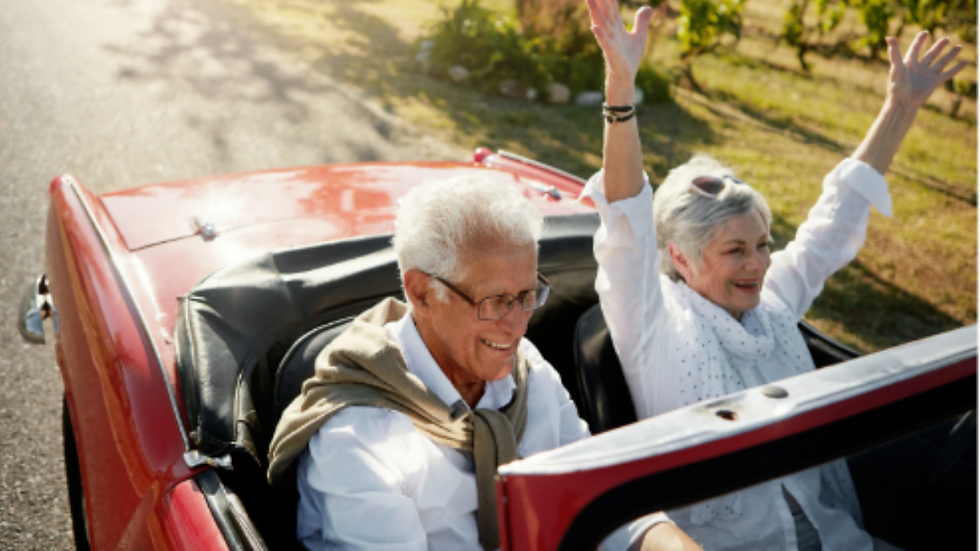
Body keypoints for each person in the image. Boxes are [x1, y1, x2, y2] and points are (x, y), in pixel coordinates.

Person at [581, 0, 966, 549]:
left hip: (842, 539)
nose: (759, 264)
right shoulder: (653, 329)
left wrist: (901, 104)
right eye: (735, 250)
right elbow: (626, 225)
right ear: (681, 258)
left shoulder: (771, 303)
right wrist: (621, 90)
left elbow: (837, 217)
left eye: (763, 245)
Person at [266, 175, 700, 550]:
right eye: (494, 301)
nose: (516, 326)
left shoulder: (528, 372)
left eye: (527, 296)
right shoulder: (358, 438)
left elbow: (604, 500)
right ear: (421, 293)